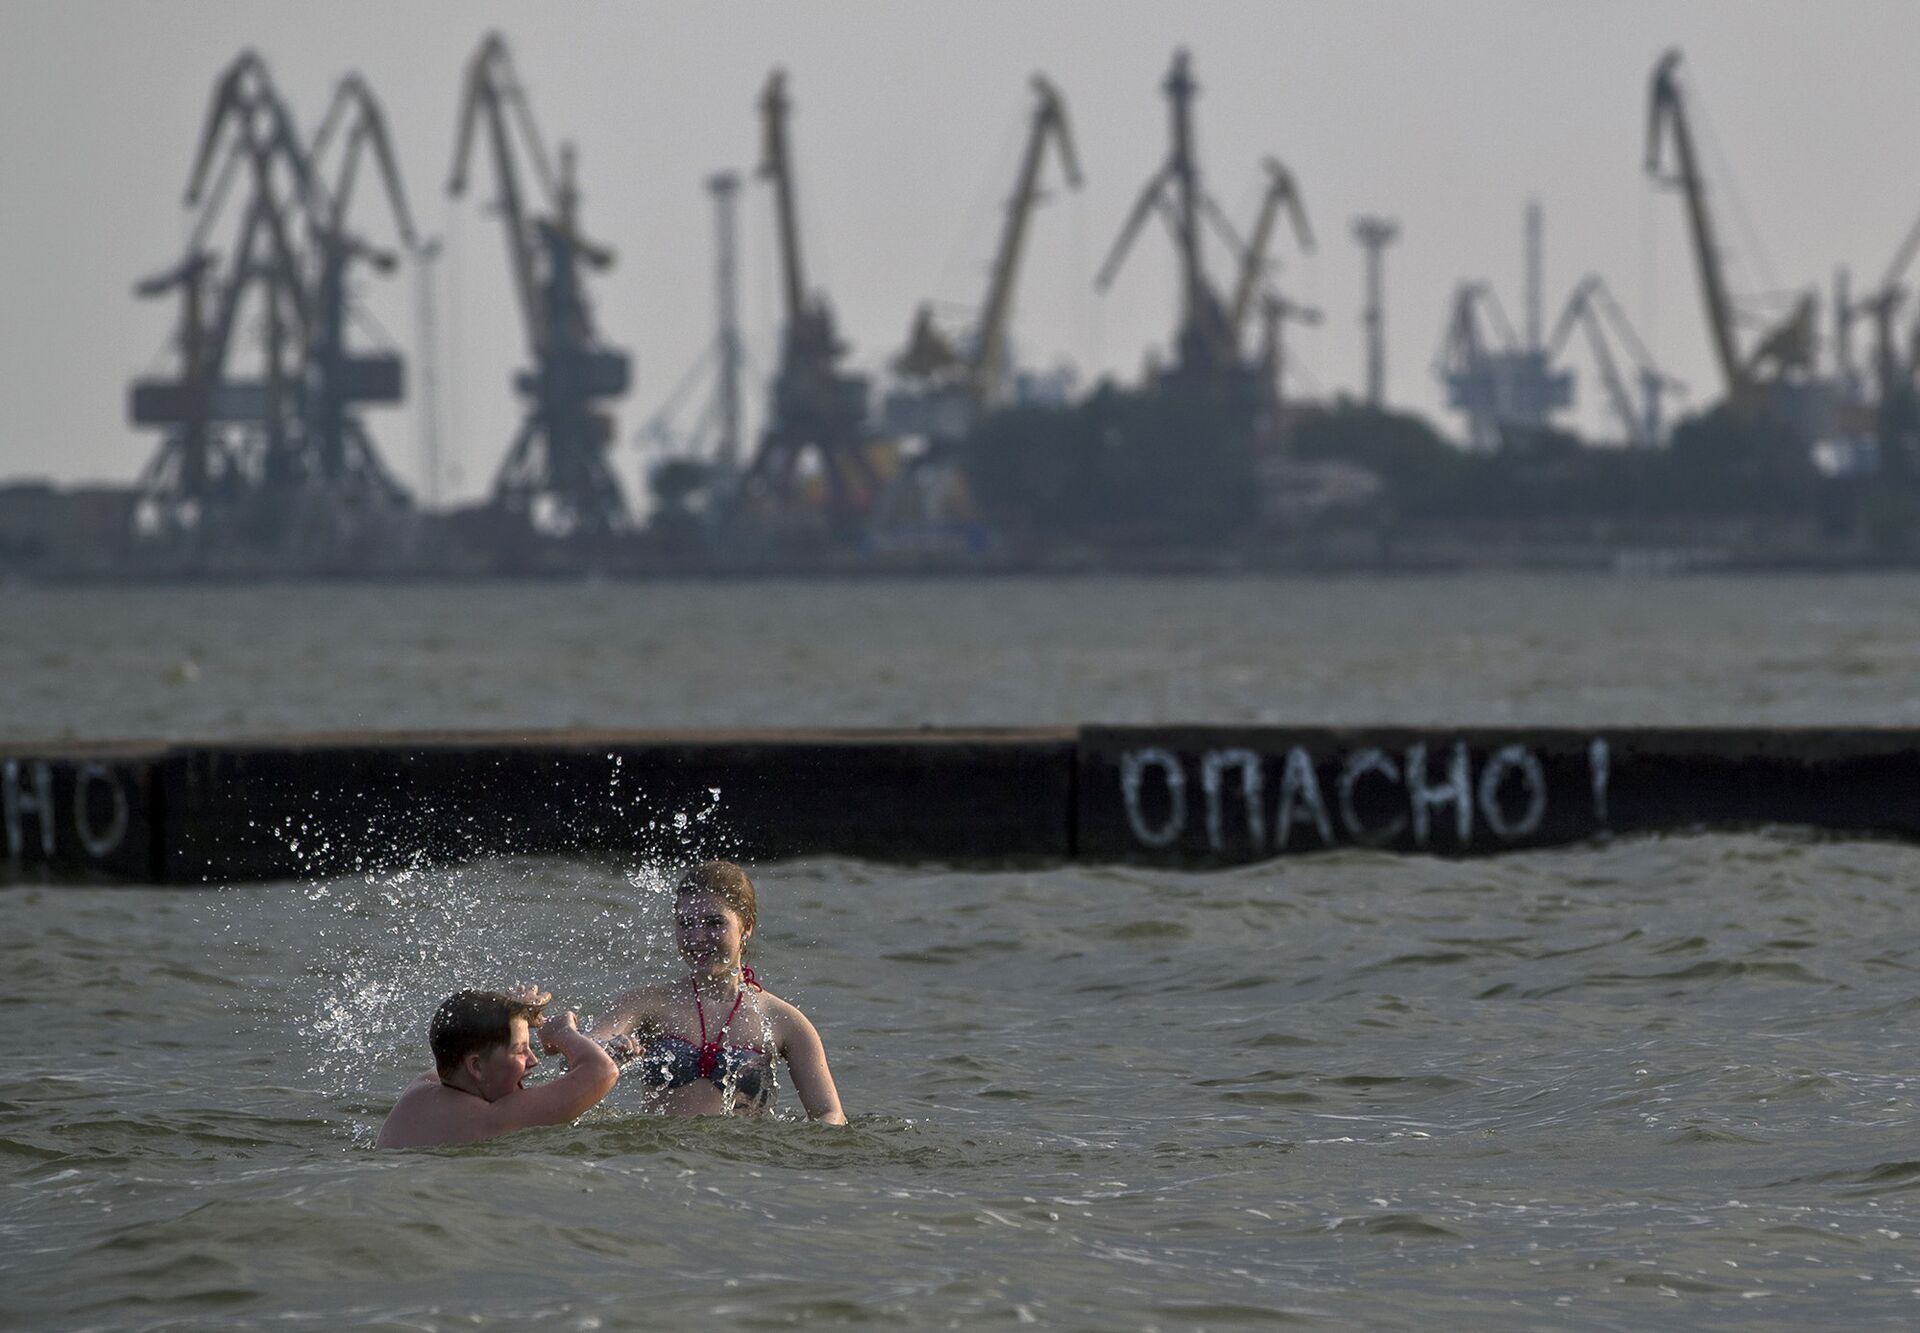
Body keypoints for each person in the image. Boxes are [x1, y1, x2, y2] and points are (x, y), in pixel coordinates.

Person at [595, 860, 846, 1123]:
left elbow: (829, 1113)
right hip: (659, 1160)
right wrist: (605, 1054)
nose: (697, 937)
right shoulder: (645, 1004)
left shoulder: (785, 1022)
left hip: (740, 1161)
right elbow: (578, 1058)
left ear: (746, 927)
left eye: (714, 923)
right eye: (686, 923)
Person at [375, 985, 622, 1148]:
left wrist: (509, 1014)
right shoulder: (491, 1119)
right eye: (520, 1050)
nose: (534, 1060)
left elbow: (459, 1041)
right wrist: (562, 1032)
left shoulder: (422, 1087)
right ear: (476, 1067)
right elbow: (602, 1071)